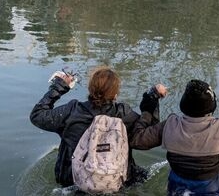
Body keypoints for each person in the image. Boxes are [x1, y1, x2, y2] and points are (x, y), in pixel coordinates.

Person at [30, 66, 167, 190]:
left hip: (73, 182)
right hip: (117, 183)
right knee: (138, 177)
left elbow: (37, 116)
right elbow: (149, 134)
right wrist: (152, 96)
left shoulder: (71, 112)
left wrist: (59, 87)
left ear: (90, 90)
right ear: (115, 95)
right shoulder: (124, 115)